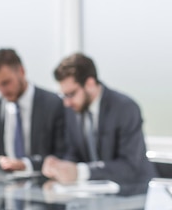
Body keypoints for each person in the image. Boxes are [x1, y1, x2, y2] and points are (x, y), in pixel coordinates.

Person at [41, 53, 156, 185]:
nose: (67, 102)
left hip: (131, 194)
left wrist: (81, 171)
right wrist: (60, 166)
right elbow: (73, 152)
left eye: (71, 94)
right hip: (93, 194)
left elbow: (129, 166)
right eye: (63, 96)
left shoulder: (125, 108)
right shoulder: (72, 109)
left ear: (90, 84)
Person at [0, 48, 66, 174]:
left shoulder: (53, 104)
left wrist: (25, 165)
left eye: (6, 83)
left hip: (43, 184)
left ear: (21, 71)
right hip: (3, 185)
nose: (2, 91)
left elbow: (63, 155)